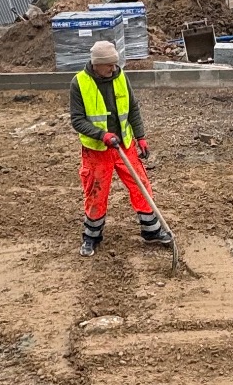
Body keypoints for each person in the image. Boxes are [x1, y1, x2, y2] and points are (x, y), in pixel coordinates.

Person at [69, 39, 173, 257]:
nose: (113, 68)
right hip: (97, 151)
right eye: (109, 65)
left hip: (124, 146)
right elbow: (77, 120)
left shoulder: (120, 77)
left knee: (140, 185)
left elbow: (132, 108)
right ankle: (92, 236)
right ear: (97, 64)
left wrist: (141, 137)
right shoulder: (79, 83)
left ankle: (151, 231)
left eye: (115, 64)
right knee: (96, 192)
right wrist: (102, 135)